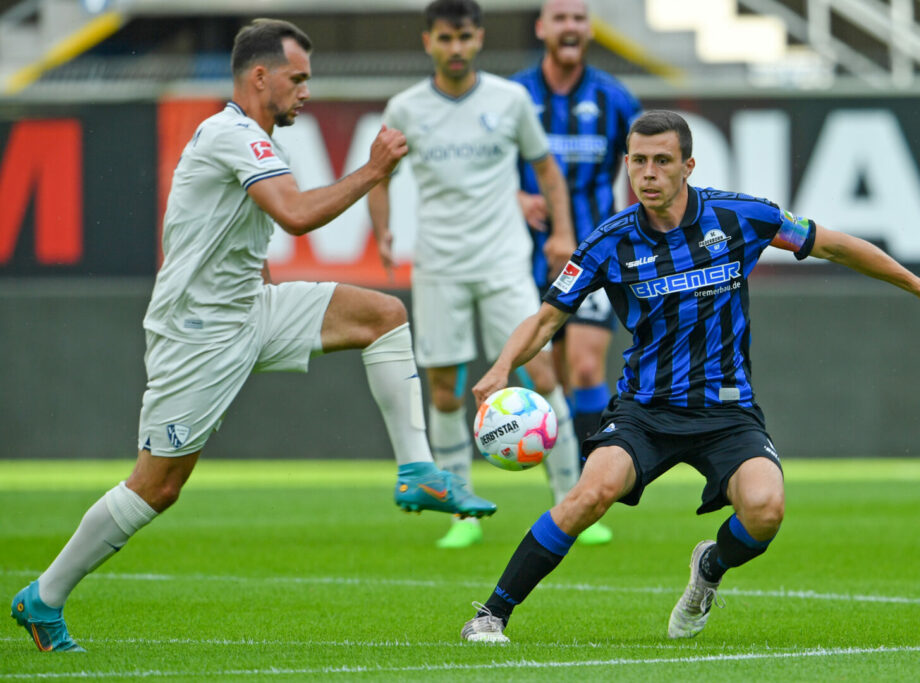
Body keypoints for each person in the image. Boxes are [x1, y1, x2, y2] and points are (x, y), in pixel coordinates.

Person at [9, 18, 497, 653]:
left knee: (382, 315)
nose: (306, 91)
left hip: (250, 309)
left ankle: (417, 470)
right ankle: (43, 598)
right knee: (157, 486)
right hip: (198, 333)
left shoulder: (254, 139)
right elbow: (295, 215)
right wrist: (373, 170)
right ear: (260, 76)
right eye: (298, 79)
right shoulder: (232, 133)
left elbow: (242, 229)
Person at [460, 110, 920, 643]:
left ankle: (709, 569)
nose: (649, 173)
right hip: (645, 410)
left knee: (766, 511)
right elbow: (547, 318)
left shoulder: (741, 217)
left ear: (688, 166)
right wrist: (501, 368)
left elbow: (835, 245)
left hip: (727, 410)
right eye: (638, 161)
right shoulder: (608, 242)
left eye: (662, 161)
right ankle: (491, 614)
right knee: (590, 494)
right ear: (626, 164)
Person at [367, 0, 581, 550]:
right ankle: (462, 514)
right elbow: (380, 175)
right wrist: (383, 231)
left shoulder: (510, 100)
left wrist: (561, 232)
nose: (456, 48)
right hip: (439, 265)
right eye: (445, 38)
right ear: (428, 42)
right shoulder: (406, 108)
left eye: (464, 37)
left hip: (504, 261)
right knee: (445, 389)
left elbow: (546, 168)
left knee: (542, 373)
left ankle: (573, 502)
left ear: (479, 39)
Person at [510, 0, 642, 545]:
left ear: (589, 30)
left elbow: (646, 164)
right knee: (550, 378)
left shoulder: (615, 99)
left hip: (596, 255)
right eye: (560, 18)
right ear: (541, 27)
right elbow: (486, 169)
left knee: (587, 367)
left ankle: (588, 496)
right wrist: (514, 195)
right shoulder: (515, 96)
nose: (571, 27)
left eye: (579, 18)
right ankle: (566, 490)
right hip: (522, 256)